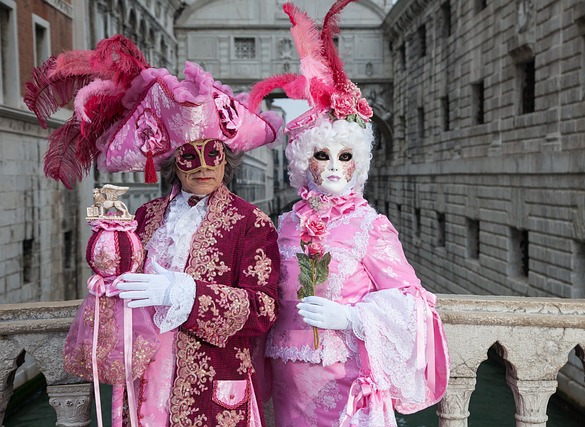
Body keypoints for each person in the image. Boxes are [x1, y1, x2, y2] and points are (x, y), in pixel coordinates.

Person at [25, 35, 283, 427]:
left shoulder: (251, 222)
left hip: (212, 390)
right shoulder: (145, 216)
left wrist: (183, 294)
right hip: (144, 385)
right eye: (188, 156)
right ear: (172, 165)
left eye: (212, 153)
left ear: (225, 159)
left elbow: (263, 310)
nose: (202, 166)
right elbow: (120, 281)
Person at [248, 1, 450, 425]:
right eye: (323, 155)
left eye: (345, 155)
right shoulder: (284, 225)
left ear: (359, 162)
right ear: (305, 163)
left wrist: (354, 316)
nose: (335, 166)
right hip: (286, 379)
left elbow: (413, 300)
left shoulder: (370, 226)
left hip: (344, 380)